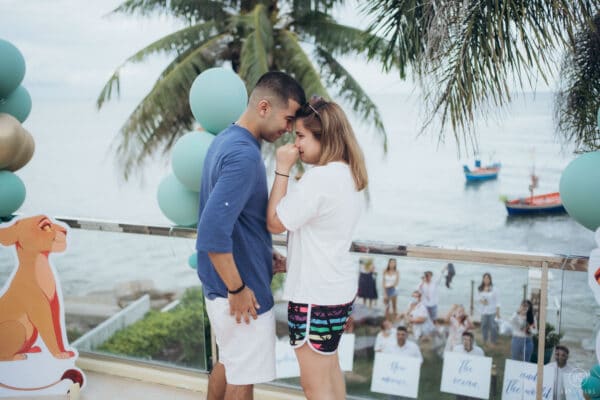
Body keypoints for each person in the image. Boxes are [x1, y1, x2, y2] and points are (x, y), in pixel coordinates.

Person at [195, 71, 306, 400]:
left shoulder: (226, 140)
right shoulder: (244, 156)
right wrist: (239, 288)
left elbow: (238, 220)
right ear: (263, 107)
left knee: (228, 364)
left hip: (219, 284)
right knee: (243, 379)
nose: (288, 130)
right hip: (241, 295)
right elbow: (212, 234)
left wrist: (260, 253)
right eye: (287, 119)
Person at [266, 96, 368, 400]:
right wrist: (293, 261)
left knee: (314, 387)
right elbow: (323, 234)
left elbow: (274, 222)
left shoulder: (318, 179)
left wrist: (282, 169)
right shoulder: (349, 175)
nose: (296, 145)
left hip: (314, 298)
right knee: (330, 373)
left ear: (324, 138)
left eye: (301, 136)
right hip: (336, 292)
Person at [386, 326, 423, 400]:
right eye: (398, 334)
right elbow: (385, 362)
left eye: (403, 334)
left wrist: (412, 371)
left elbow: (420, 361)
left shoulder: (413, 347)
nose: (400, 336)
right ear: (396, 335)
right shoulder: (389, 347)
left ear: (407, 335)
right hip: (393, 380)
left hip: (408, 381)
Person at [477, 272, 500, 346]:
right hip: (483, 311)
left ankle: (493, 341)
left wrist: (498, 312)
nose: (486, 280)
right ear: (483, 279)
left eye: (488, 278)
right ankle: (485, 340)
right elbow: (478, 299)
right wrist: (482, 300)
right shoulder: (480, 289)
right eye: (485, 278)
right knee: (484, 326)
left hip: (492, 311)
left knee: (493, 327)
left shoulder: (494, 289)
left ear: (490, 279)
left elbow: (498, 301)